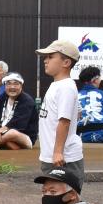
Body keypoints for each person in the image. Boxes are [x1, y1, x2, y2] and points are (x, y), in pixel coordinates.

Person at [35, 38, 86, 183]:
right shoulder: (58, 85)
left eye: (51, 57)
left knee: (67, 198)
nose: (46, 60)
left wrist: (57, 152)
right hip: (52, 155)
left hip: (63, 158)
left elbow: (64, 122)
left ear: (66, 62)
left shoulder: (65, 87)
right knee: (54, 198)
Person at [0, 73, 38, 150]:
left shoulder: (27, 101)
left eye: (16, 84)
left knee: (12, 133)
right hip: (2, 134)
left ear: (21, 86)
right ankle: (6, 144)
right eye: (8, 84)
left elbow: (18, 123)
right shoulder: (3, 97)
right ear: (5, 86)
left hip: (23, 136)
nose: (12, 87)